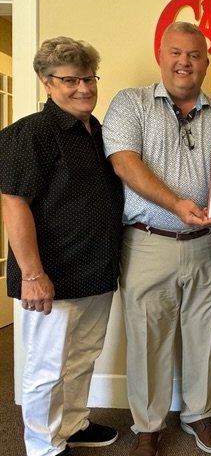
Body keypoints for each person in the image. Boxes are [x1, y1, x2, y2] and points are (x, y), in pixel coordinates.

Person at [102, 22, 211, 456]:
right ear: (160, 56)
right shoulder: (131, 104)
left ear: (206, 62)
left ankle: (198, 412)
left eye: (195, 55)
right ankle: (148, 424)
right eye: (176, 53)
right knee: (146, 335)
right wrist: (177, 202)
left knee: (206, 331)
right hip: (149, 240)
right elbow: (125, 163)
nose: (185, 62)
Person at [0, 37, 123, 456]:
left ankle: (71, 424)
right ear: (46, 83)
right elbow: (14, 202)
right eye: (70, 80)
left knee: (82, 356)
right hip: (51, 275)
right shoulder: (30, 133)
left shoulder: (96, 130)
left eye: (88, 78)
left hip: (96, 270)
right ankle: (42, 445)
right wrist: (33, 275)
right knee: (45, 368)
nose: (83, 88)